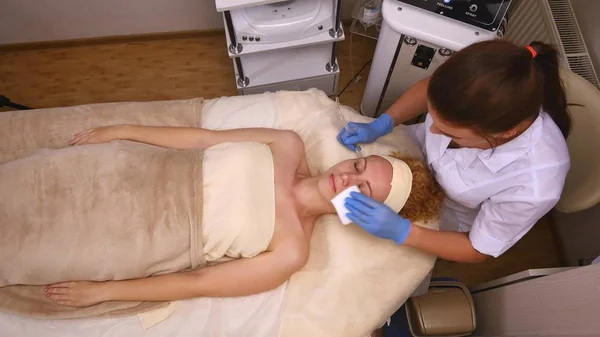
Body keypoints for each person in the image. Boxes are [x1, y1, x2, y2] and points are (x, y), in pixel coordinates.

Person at [34, 124, 441, 308]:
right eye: (359, 166)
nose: (346, 179)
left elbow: (198, 283)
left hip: (132, 235)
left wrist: (103, 292)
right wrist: (123, 132)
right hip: (135, 171)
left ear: (370, 215)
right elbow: (202, 139)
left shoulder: (292, 249)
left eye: (364, 189)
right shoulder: (287, 144)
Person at [338, 40, 571, 263]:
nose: (432, 129)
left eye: (450, 133)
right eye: (433, 115)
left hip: (446, 217)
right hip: (412, 149)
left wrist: (404, 232)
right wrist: (385, 122)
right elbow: (431, 89)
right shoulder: (471, 86)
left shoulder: (535, 185)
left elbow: (477, 249)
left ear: (504, 134)